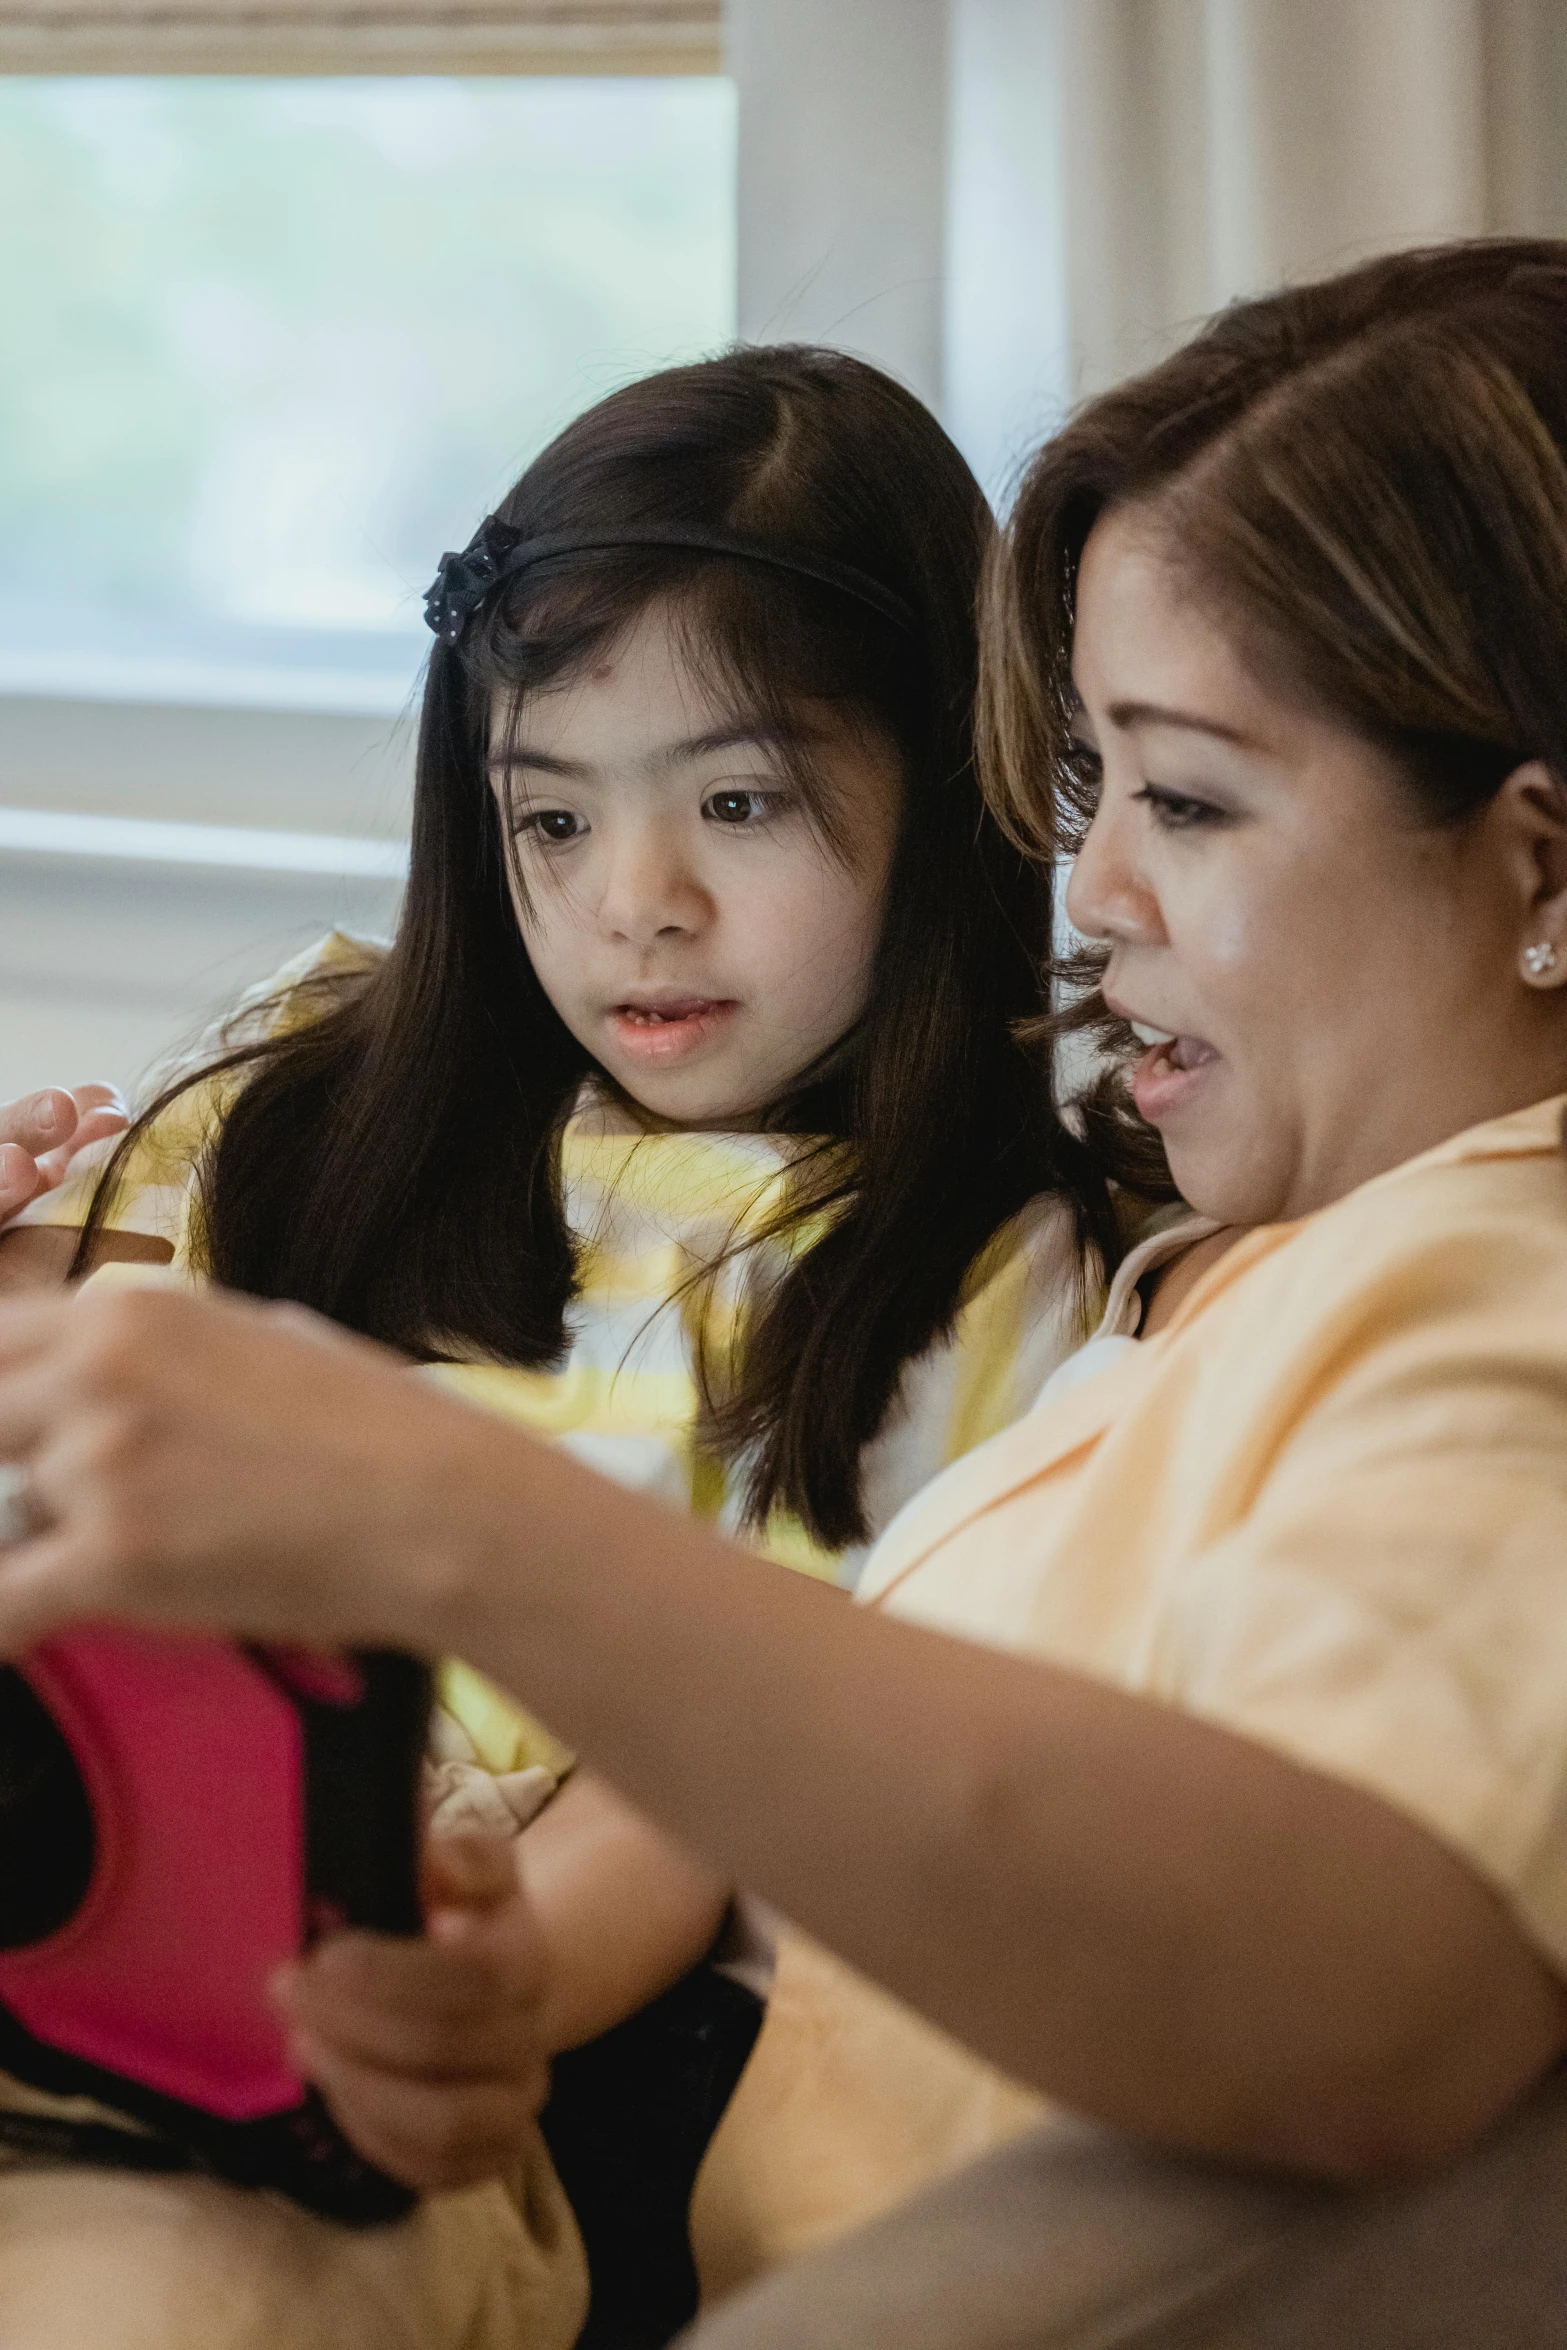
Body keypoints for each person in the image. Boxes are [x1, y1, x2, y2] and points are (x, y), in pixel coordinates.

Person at [9, 234, 1567, 2347]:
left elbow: (1372, 1982)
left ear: (1541, 868)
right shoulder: (1249, 1264)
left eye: (1182, 797)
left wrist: (445, 1523)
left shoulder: (1490, 1282)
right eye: (1097, 786)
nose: (1085, 886)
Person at [0, 346, 1127, 2347]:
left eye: (739, 798)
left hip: (356, 2014)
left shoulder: (951, 1277)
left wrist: (482, 1988)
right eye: (548, 817)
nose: (636, 904)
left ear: (946, 791)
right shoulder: (313, 1086)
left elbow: (697, 1809)